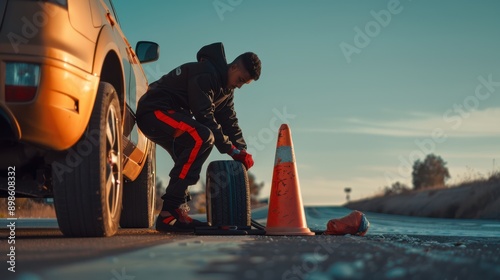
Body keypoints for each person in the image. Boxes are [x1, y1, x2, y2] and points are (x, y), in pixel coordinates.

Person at [136, 42, 261, 232]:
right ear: (233, 67)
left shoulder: (226, 91)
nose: (240, 85)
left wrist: (241, 149)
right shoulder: (205, 73)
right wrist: (231, 150)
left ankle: (174, 214)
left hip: (173, 116)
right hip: (154, 111)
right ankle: (169, 210)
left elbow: (229, 120)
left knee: (188, 154)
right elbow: (203, 115)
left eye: (244, 83)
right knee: (202, 137)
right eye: (241, 79)